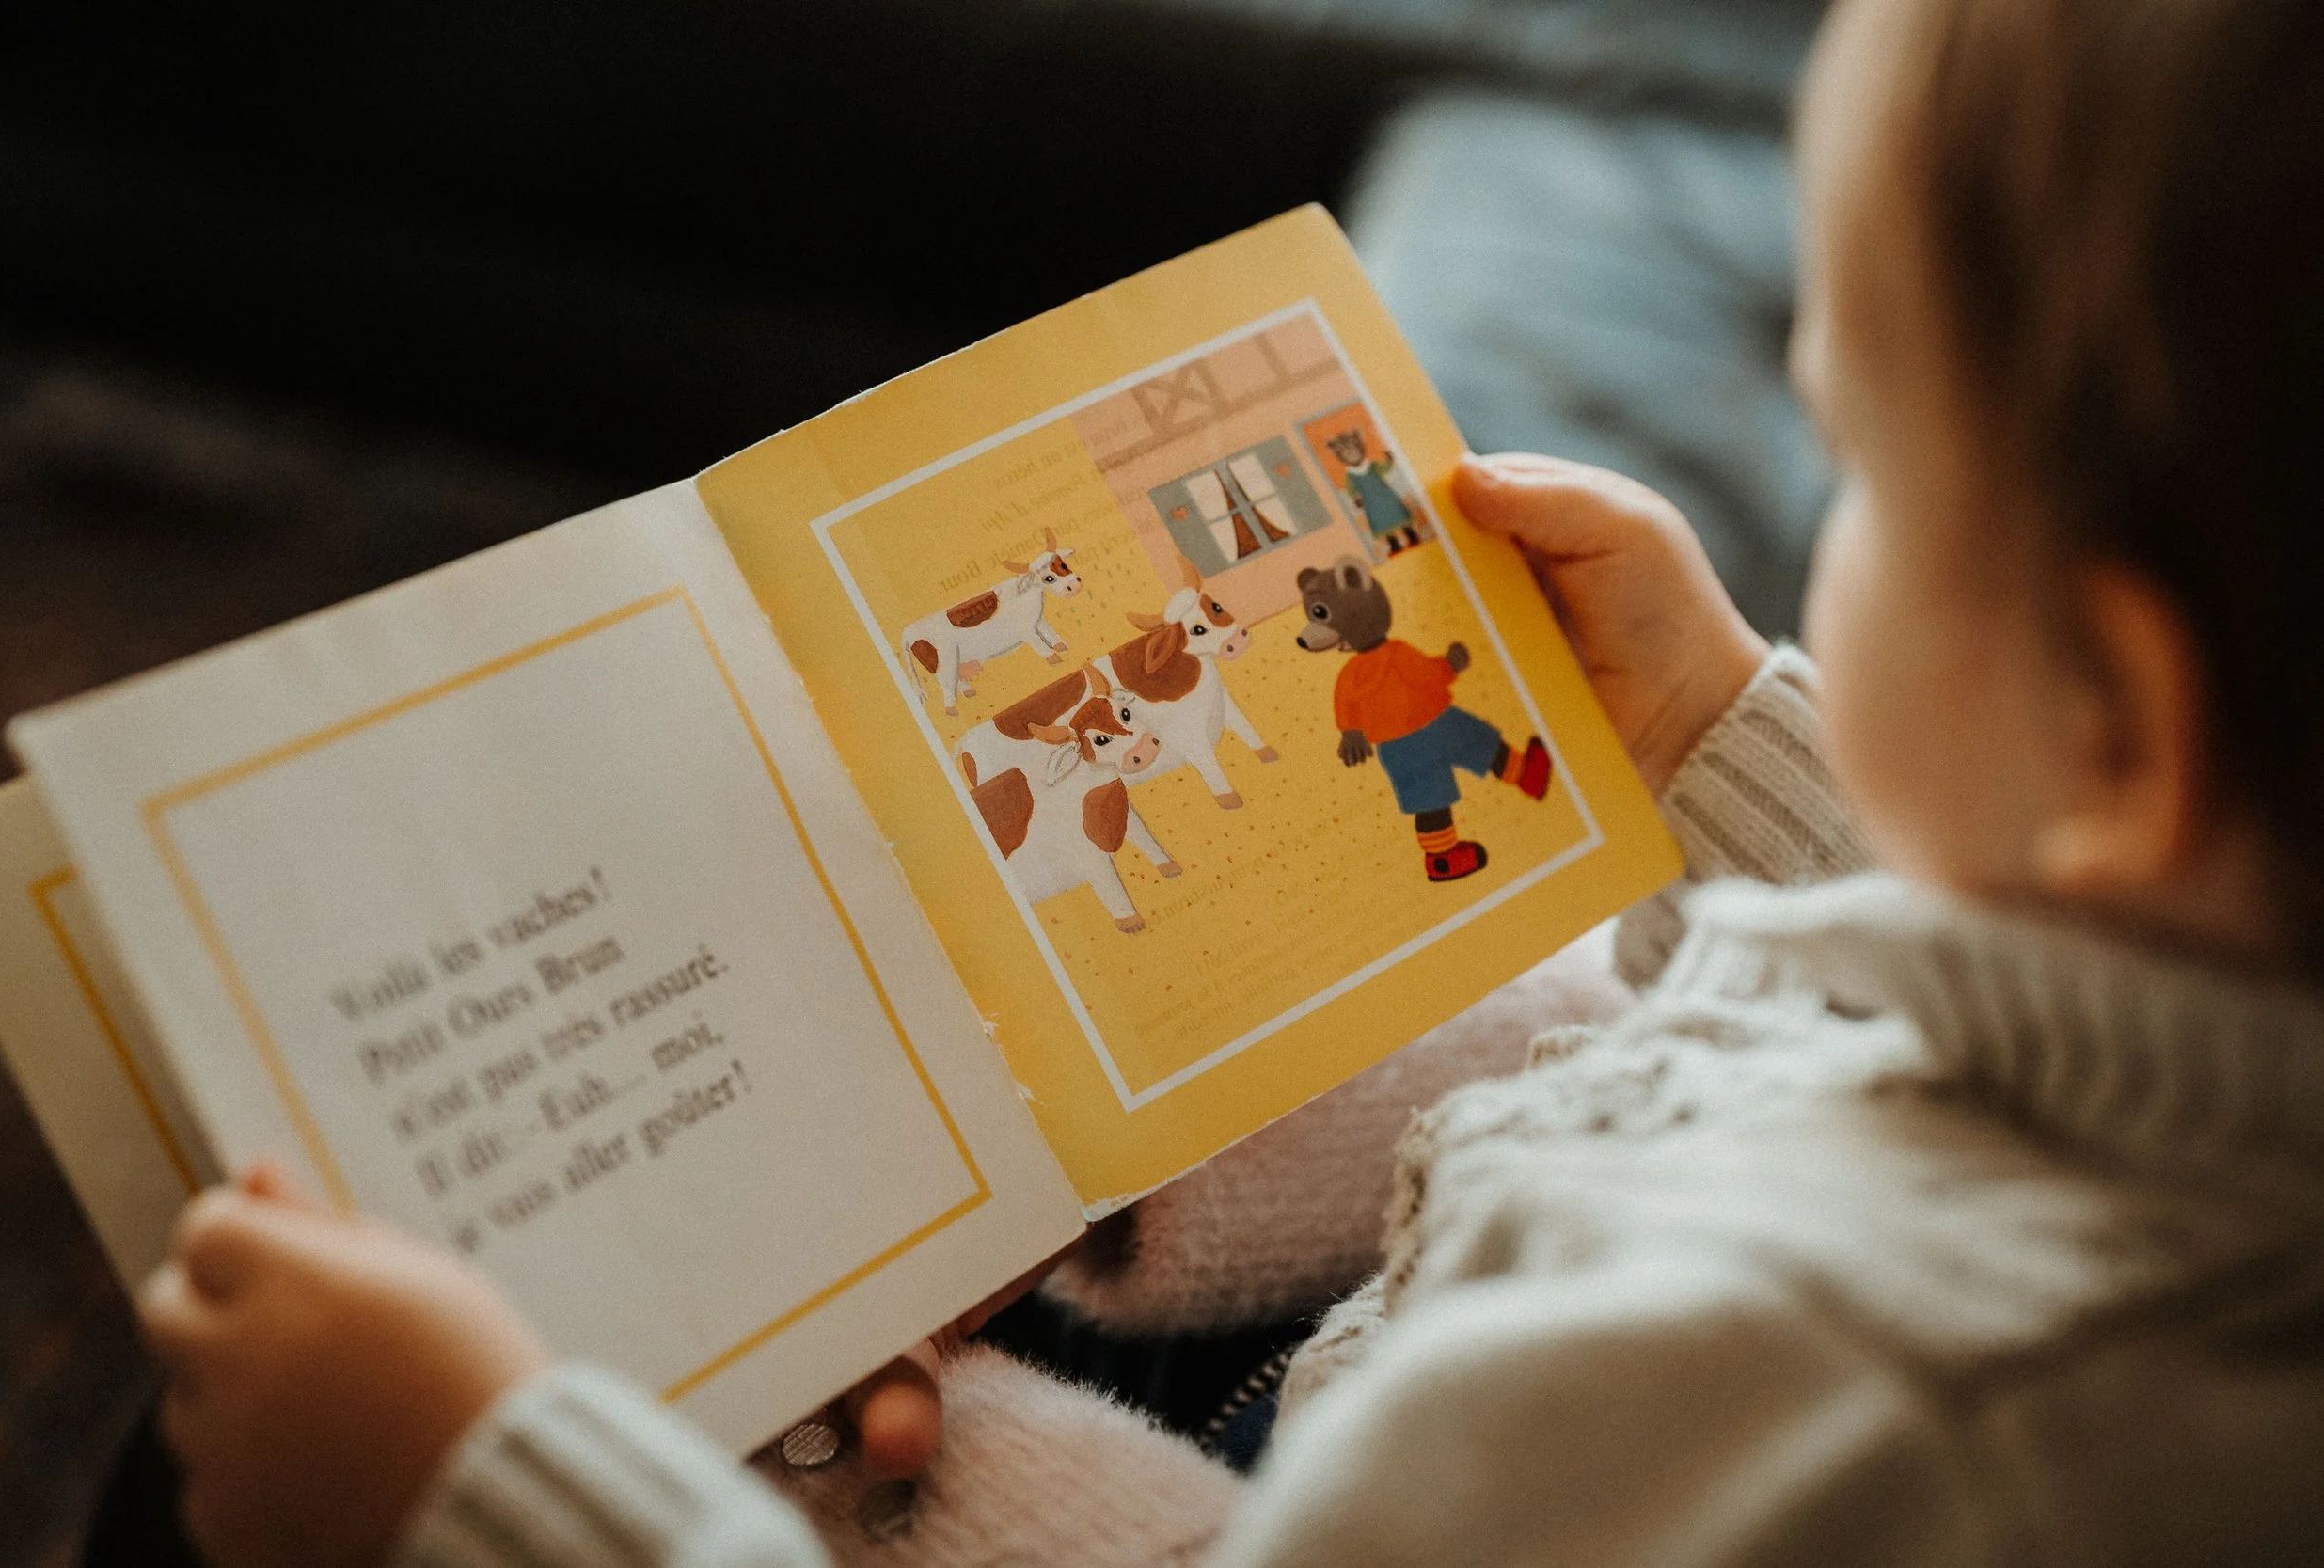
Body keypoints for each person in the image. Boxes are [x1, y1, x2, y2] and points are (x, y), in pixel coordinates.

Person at [134, 0, 2324, 1560]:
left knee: (262, 1447)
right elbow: (1816, 1043)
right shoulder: (2190, 1041)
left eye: (1854, 466)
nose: (1810, 528)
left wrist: (512, 1490)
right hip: (1420, 1301)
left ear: (2113, 731)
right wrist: (1720, 736)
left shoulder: (1821, 1410)